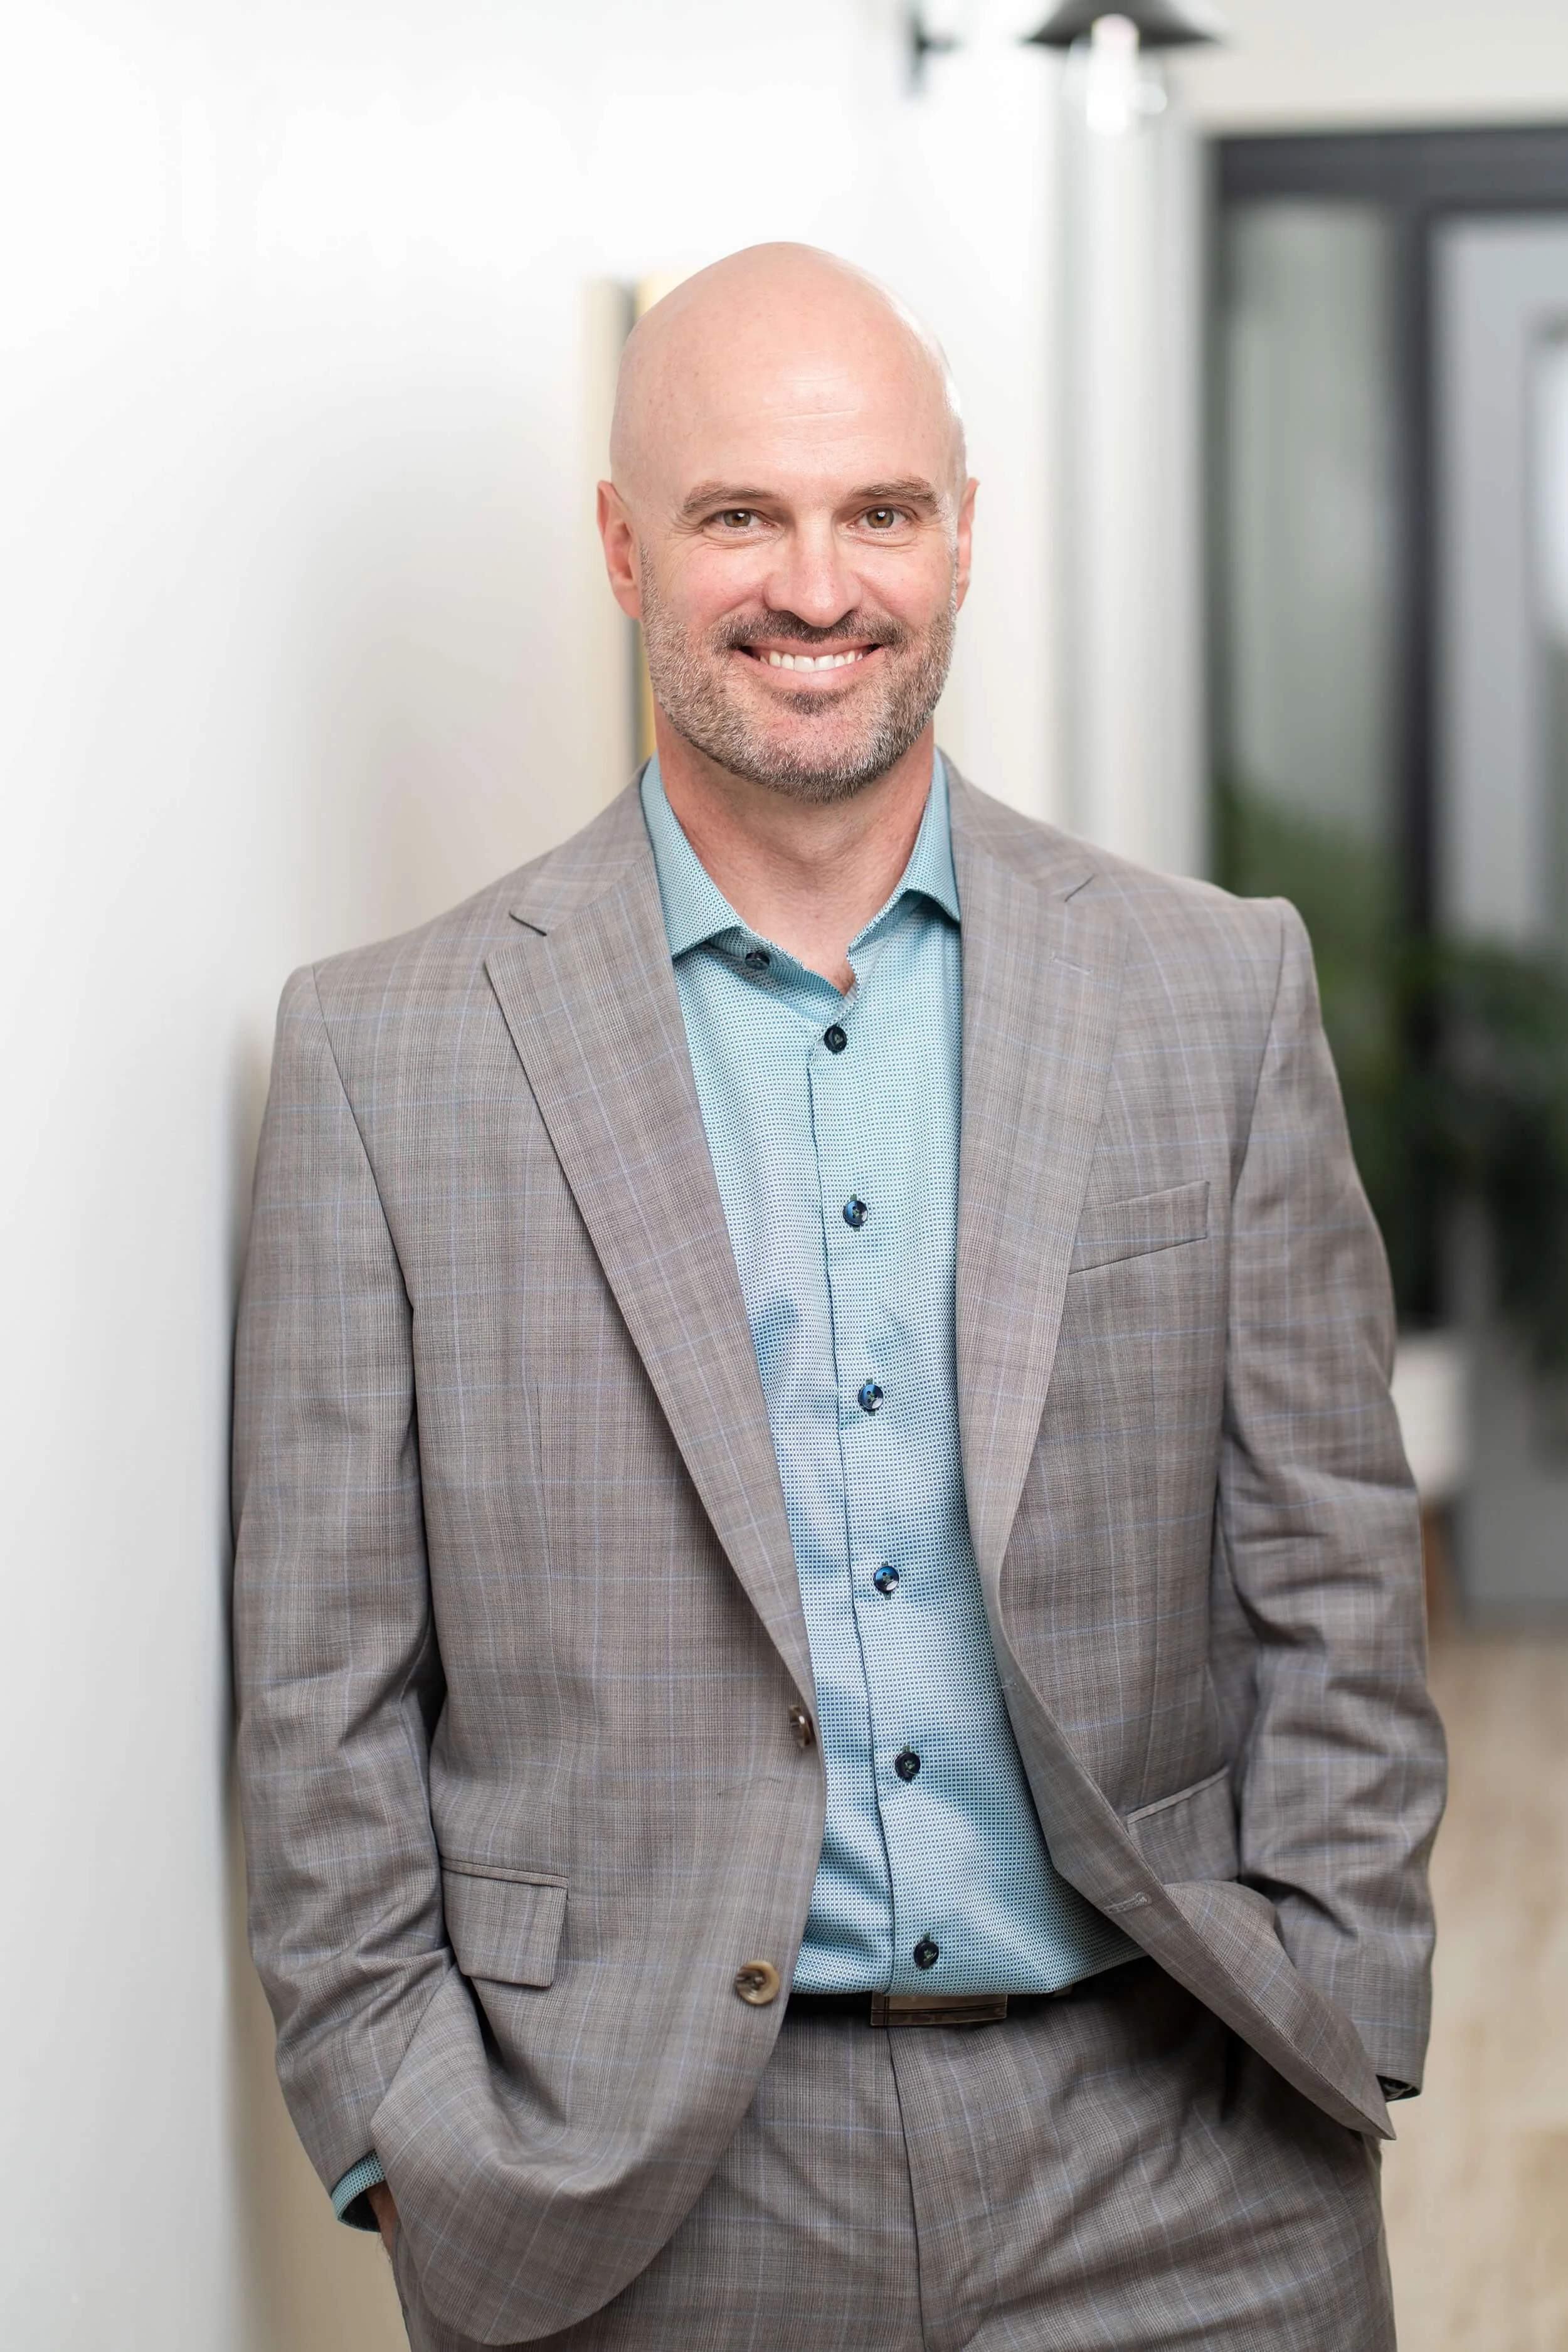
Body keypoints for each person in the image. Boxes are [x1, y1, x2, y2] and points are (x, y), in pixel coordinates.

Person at [233, 243, 1445, 2351]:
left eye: (877, 509)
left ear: (960, 531)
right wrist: (399, 2120)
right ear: (624, 545)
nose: (819, 586)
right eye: (740, 515)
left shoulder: (1208, 987)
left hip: (1176, 2143)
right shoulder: (387, 1055)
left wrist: (1337, 1967)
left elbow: (1328, 1555)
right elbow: (320, 1680)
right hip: (632, 2190)